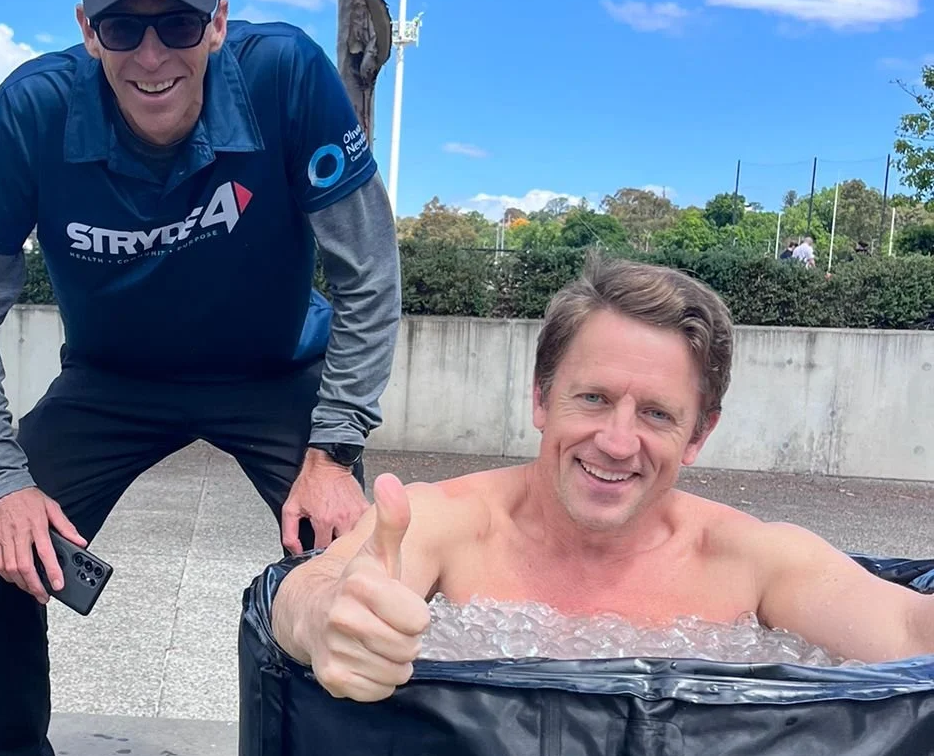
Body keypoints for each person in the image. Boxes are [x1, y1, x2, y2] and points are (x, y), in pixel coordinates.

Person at [0, 0, 402, 756]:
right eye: (123, 26)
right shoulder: (33, 111)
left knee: (357, 560)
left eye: (178, 25)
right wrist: (2, 480)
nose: (153, 54)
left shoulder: (286, 78)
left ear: (219, 24)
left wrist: (336, 447)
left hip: (275, 372)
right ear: (85, 30)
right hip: (115, 379)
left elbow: (368, 270)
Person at [274, 257, 934, 697]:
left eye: (655, 413)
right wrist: (330, 620)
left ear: (699, 434)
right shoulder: (450, 524)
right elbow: (312, 590)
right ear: (540, 399)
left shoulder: (751, 562)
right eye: (592, 399)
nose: (617, 442)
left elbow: (910, 635)